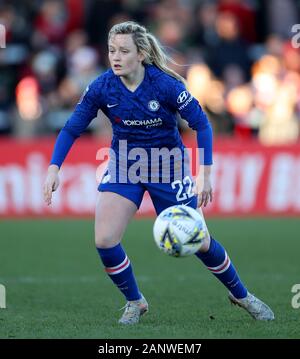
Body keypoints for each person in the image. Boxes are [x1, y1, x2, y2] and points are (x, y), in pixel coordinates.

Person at [43, 21, 274, 325]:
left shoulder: (165, 85)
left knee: (200, 242)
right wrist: (53, 167)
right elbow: (73, 127)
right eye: (112, 50)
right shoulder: (102, 86)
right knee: (105, 239)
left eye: (123, 51)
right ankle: (135, 302)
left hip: (169, 168)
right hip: (126, 166)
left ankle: (242, 295)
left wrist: (204, 173)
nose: (115, 56)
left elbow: (202, 124)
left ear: (140, 54)